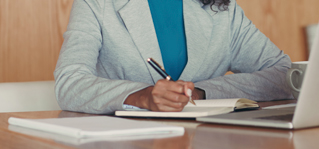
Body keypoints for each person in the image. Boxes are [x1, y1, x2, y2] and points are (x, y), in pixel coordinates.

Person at [54, 0, 293, 114]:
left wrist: (200, 92)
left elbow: (283, 74)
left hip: (206, 142)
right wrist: (141, 97)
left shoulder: (222, 9)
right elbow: (70, 83)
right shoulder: (97, 3)